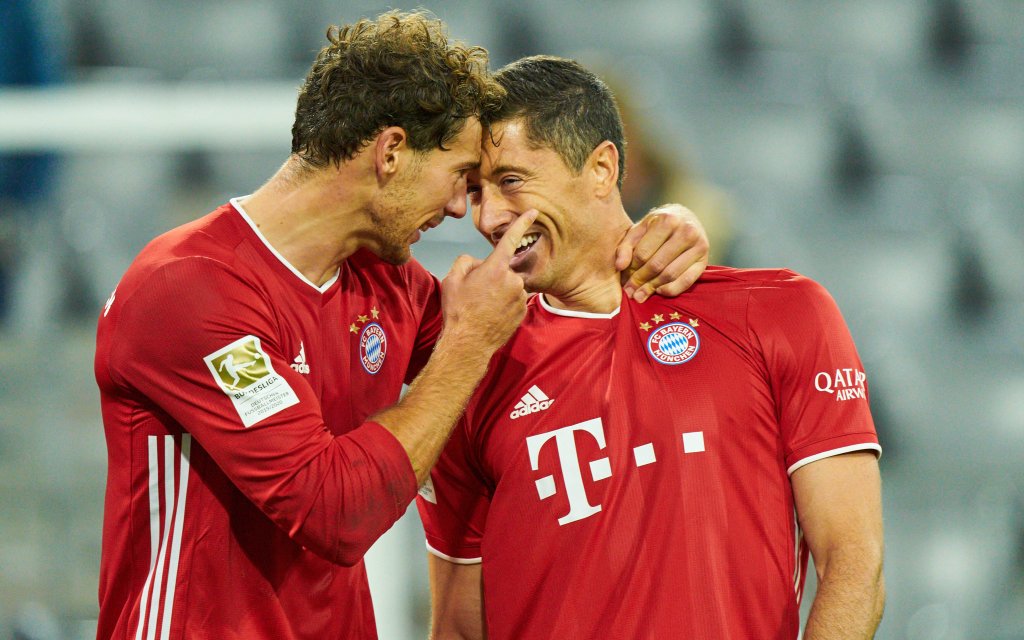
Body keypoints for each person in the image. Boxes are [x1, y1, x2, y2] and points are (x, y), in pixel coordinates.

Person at [93, 12, 709, 640]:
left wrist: (658, 232)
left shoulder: (382, 283)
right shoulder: (188, 290)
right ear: (391, 152)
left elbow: (548, 342)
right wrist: (466, 343)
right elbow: (334, 512)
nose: (458, 210)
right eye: (459, 179)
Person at [417, 56, 885, 640]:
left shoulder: (782, 314)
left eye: (511, 181)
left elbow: (852, 565)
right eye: (476, 191)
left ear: (602, 168)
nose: (489, 217)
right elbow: (460, 627)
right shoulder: (469, 375)